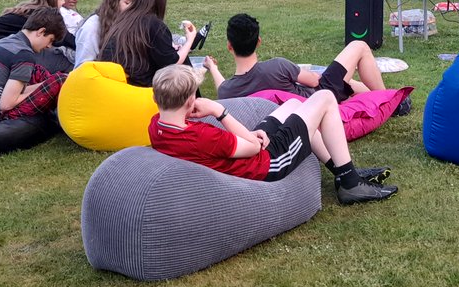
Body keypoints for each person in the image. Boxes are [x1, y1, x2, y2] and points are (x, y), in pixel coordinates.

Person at [149, 63, 396, 204]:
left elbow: (242, 143)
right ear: (191, 99)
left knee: (293, 106)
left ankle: (345, 172)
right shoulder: (204, 137)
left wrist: (253, 135)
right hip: (269, 164)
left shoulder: (156, 126)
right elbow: (254, 148)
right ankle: (351, 185)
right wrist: (218, 110)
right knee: (325, 98)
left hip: (247, 151)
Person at [206, 13, 410, 115]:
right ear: (258, 42)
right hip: (317, 97)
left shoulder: (227, 93)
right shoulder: (277, 66)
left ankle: (380, 98)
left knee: (353, 84)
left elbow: (223, 87)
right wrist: (301, 71)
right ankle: (391, 101)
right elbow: (313, 81)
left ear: (229, 46)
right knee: (359, 46)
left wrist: (212, 68)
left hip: (296, 111)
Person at [0, 7, 69, 118]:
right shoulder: (24, 55)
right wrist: (49, 88)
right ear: (41, 32)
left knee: (41, 74)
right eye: (51, 40)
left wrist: (46, 85)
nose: (49, 46)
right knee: (60, 80)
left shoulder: (7, 41)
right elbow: (6, 105)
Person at [99, 0, 195, 87]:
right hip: (137, 86)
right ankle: (194, 102)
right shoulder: (153, 24)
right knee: (183, 67)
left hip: (111, 81)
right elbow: (171, 63)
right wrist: (190, 39)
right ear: (160, 2)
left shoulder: (122, 20)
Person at [74, 0, 134, 68]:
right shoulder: (92, 26)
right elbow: (82, 66)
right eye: (127, 3)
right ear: (114, 3)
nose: (132, 7)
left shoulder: (128, 22)